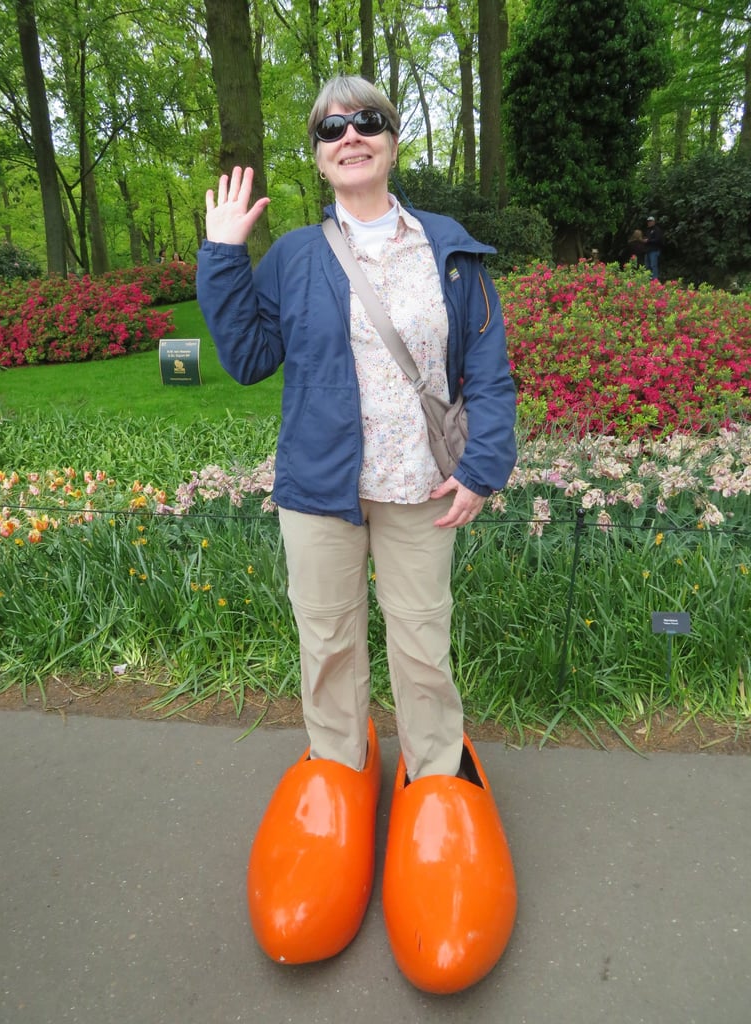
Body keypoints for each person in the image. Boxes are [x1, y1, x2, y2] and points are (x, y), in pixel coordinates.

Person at [196, 75, 518, 995]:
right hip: (320, 491)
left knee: (422, 645)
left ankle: (436, 778)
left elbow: (489, 373)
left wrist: (483, 467)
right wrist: (224, 254)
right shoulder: (297, 255)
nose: (350, 135)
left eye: (366, 121)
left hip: (420, 491)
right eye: (331, 127)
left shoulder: (448, 250)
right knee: (328, 640)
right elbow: (248, 359)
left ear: (391, 140)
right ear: (318, 153)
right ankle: (340, 764)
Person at [644, 214, 665, 280]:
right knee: (647, 266)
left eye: (650, 221)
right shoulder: (647, 230)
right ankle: (648, 279)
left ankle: (654, 280)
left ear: (654, 222)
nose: (649, 223)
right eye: (648, 221)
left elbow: (658, 240)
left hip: (654, 250)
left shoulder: (657, 230)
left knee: (653, 265)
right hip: (648, 250)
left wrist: (648, 240)